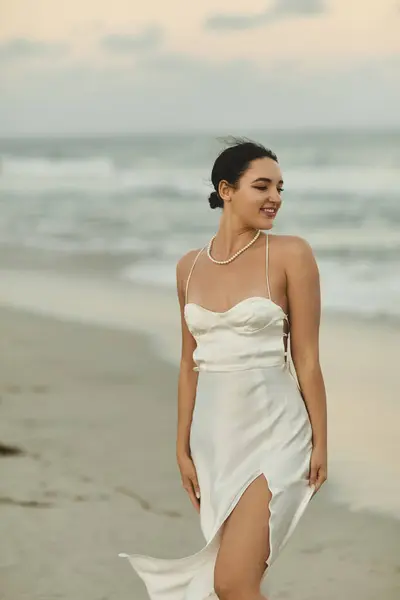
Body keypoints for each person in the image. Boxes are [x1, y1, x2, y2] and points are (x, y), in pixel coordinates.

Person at [120, 139, 328, 600]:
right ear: (226, 189)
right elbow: (188, 363)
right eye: (262, 185)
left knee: (232, 582)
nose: (275, 196)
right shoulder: (188, 268)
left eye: (279, 187)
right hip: (215, 440)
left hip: (278, 432)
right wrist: (181, 447)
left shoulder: (292, 254)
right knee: (233, 580)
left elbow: (308, 359)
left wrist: (321, 441)